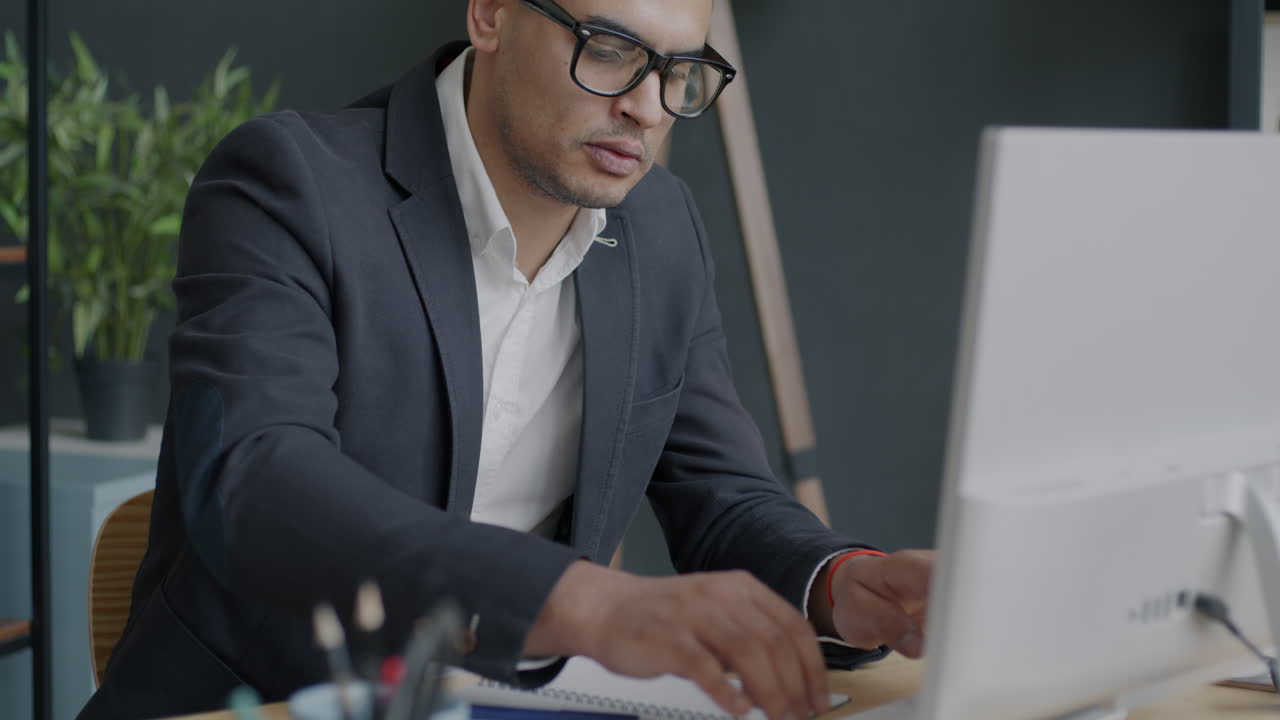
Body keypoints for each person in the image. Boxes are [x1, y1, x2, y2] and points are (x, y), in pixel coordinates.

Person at [79, 1, 934, 718]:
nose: (648, 109)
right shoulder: (289, 183)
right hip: (257, 701)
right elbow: (256, 482)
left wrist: (842, 585)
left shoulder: (662, 227)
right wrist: (583, 600)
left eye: (680, 71)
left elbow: (721, 497)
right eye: (611, 49)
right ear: (490, 14)